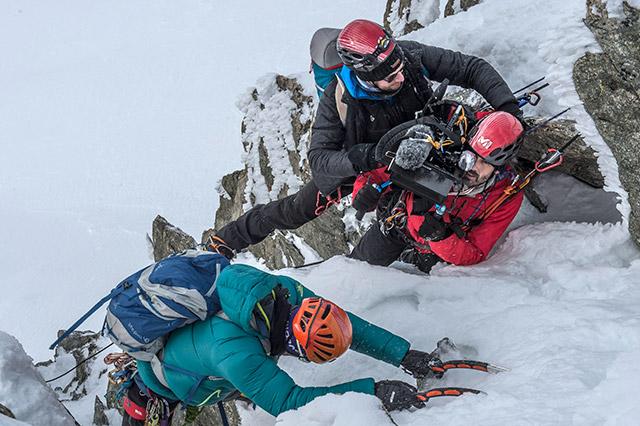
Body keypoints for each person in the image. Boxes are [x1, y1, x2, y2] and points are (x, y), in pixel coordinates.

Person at [208, 19, 521, 260]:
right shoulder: (339, 99)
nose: (400, 78)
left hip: (426, 140)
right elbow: (319, 160)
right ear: (364, 76)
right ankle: (228, 240)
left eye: (400, 69)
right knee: (295, 211)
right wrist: (366, 158)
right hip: (369, 159)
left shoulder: (408, 58)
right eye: (389, 77)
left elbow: (471, 69)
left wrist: (509, 111)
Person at [119, 263, 446, 424]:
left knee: (250, 378)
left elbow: (343, 324)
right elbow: (291, 402)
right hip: (168, 384)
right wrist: (373, 391)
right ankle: (140, 399)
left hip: (203, 359)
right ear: (295, 348)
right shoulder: (238, 353)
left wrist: (402, 354)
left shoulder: (286, 293)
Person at [349, 111, 525, 272]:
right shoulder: (442, 149)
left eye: (485, 163)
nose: (473, 166)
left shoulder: (505, 196)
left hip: (434, 256)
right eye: (472, 155)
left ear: (499, 168)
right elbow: (380, 172)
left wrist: (441, 237)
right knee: (354, 275)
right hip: (395, 226)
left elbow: (476, 253)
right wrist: (364, 194)